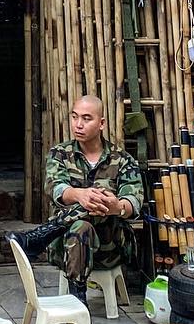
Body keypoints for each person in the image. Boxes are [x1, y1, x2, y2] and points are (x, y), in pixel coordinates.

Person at [10, 96, 143, 307]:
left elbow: (134, 202)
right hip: (67, 244)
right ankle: (80, 305)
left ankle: (40, 237)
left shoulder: (122, 159)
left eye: (86, 118)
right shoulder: (60, 154)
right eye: (74, 117)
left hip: (110, 245)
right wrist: (80, 195)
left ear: (101, 123)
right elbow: (55, 188)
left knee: (92, 207)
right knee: (81, 227)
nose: (78, 124)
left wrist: (116, 207)